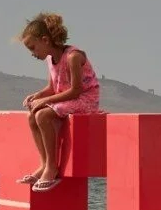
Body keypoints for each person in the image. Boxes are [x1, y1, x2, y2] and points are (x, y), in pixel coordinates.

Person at [18, 12, 101, 192]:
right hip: (68, 98)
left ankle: (52, 167)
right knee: (32, 116)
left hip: (85, 100)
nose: (32, 53)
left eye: (33, 48)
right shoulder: (50, 59)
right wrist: (37, 96)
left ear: (45, 40)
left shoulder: (73, 57)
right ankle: (45, 163)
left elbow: (76, 90)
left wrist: (45, 101)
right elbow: (52, 87)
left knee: (43, 115)